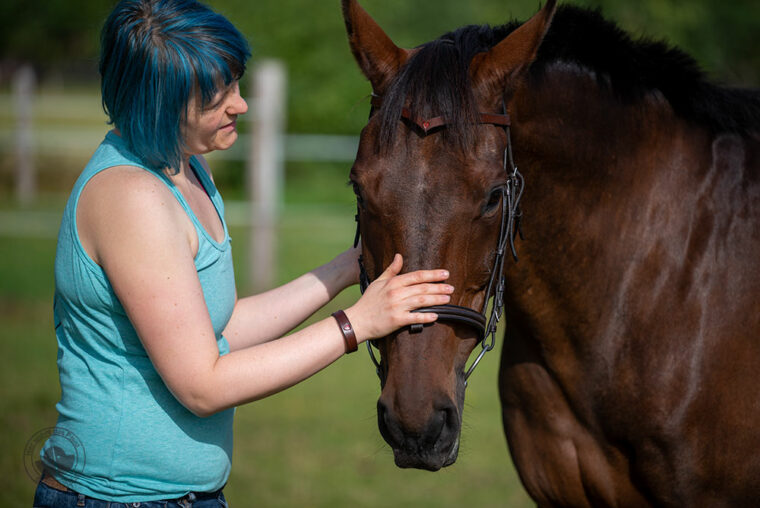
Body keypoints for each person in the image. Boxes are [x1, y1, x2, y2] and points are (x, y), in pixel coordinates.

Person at [33, 0, 453, 506]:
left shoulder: (187, 171)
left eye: (235, 83)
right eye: (216, 97)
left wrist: (347, 266)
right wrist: (355, 325)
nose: (240, 105)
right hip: (114, 499)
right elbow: (201, 385)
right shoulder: (132, 198)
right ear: (156, 103)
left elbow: (217, 329)